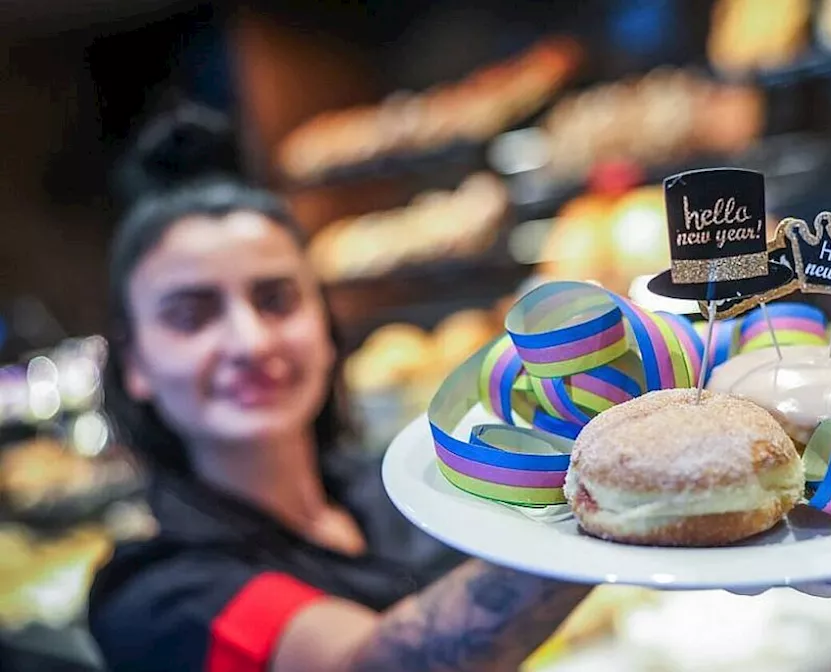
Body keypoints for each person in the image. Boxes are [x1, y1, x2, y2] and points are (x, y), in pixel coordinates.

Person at [87, 105, 592, 672]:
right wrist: (599, 500)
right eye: (191, 315)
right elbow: (371, 663)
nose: (251, 342)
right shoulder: (158, 594)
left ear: (326, 329)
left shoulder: (399, 485)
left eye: (276, 300)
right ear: (134, 363)